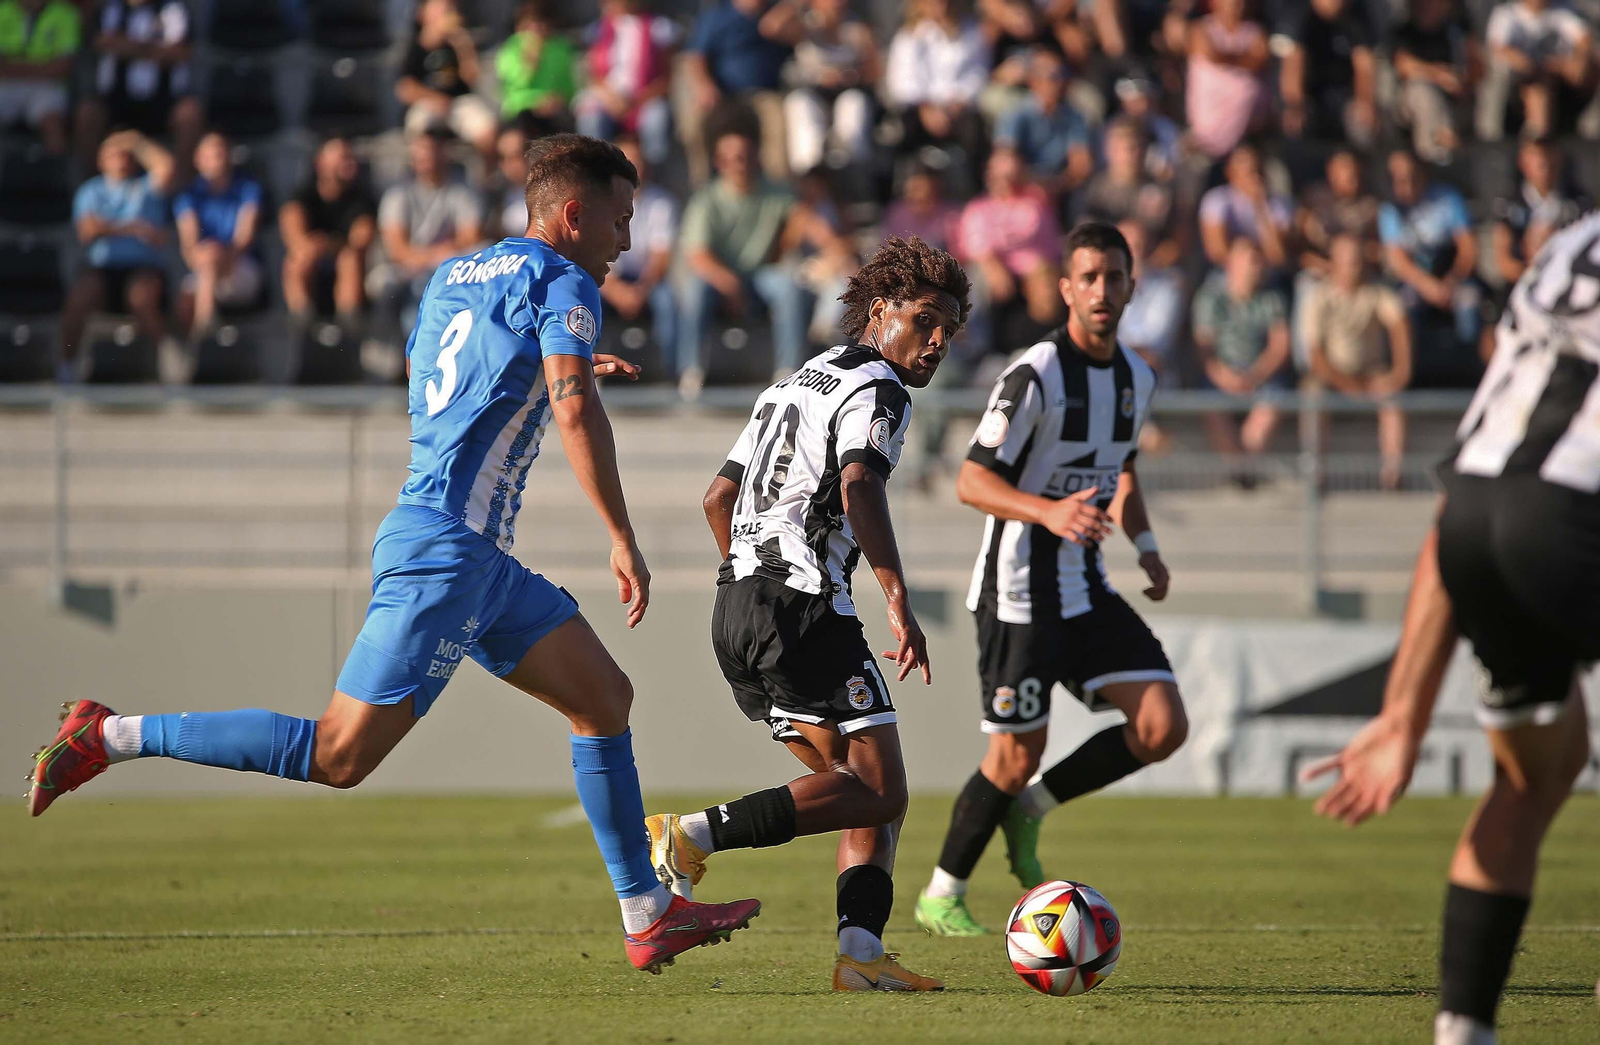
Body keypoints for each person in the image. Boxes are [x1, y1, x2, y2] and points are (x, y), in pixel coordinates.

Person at [29, 134, 763, 975]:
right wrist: (620, 532)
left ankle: (646, 913)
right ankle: (111, 733)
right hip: (447, 553)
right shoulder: (566, 280)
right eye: (621, 219)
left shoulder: (454, 275)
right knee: (340, 754)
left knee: (604, 696)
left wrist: (556, 365)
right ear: (572, 215)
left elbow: (444, 379)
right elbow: (573, 413)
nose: (626, 239)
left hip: (471, 556)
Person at [1304, 210, 1600, 1045]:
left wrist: (1405, 713)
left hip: (1472, 513)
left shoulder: (1572, 244)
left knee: (1538, 773)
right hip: (1578, 510)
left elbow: (1469, 484)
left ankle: (1462, 1031)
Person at [647, 235, 971, 990]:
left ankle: (860, 956)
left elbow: (717, 498)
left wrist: (747, 582)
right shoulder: (881, 388)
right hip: (800, 606)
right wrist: (896, 598)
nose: (937, 341)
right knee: (883, 788)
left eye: (948, 330)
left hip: (736, 607)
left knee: (859, 788)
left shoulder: (793, 382)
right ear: (880, 311)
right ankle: (690, 834)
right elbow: (860, 487)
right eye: (925, 320)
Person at [913, 222, 1184, 936]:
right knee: (1013, 752)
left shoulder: (1138, 377)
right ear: (1066, 288)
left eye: (1114, 278)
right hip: (1017, 591)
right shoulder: (1036, 373)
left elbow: (1119, 467)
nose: (1102, 290)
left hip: (1084, 585)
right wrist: (1048, 511)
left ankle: (1031, 809)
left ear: (1131, 287)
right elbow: (971, 480)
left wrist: (1146, 543)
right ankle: (942, 891)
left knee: (1163, 723)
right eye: (1088, 277)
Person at [676, 128, 807, 395]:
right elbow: (697, 255)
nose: (741, 163)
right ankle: (691, 370)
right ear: (719, 163)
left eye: (746, 156)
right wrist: (730, 285)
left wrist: (831, 245)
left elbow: (805, 219)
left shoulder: (777, 193)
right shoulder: (706, 200)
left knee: (790, 288)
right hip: (719, 278)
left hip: (761, 274)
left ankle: (789, 371)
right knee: (693, 291)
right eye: (734, 158)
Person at [60, 130, 175, 382]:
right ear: (101, 161)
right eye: (113, 154)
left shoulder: (146, 188)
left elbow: (166, 166)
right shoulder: (90, 191)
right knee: (79, 297)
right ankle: (67, 366)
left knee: (142, 297)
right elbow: (88, 230)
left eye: (126, 154)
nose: (120, 159)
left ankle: (165, 367)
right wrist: (134, 227)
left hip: (143, 269)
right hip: (103, 270)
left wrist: (136, 140)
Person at [1304, 234, 1413, 490]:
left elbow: (1399, 324)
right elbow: (1316, 356)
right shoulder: (1318, 297)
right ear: (1334, 263)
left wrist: (1400, 372)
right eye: (1350, 261)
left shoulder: (1375, 292)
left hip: (1371, 373)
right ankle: (1315, 475)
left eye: (1358, 260)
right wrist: (1347, 386)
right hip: (1332, 377)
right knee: (1311, 395)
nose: (1356, 266)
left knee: (1393, 399)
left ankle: (1392, 477)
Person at [1193, 236, 1291, 486]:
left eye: (1260, 261)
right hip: (1221, 374)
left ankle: (1241, 471)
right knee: (1210, 404)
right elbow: (1205, 351)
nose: (1257, 267)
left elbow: (1280, 347)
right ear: (1231, 264)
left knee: (1273, 402)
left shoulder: (1272, 297)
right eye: (1251, 260)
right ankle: (1242, 472)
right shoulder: (1210, 297)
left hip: (1261, 375)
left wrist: (1255, 376)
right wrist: (1226, 378)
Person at [372, 128, 485, 341]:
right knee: (411, 287)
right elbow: (397, 249)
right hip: (406, 269)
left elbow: (472, 236)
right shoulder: (397, 195)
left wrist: (436, 259)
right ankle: (409, 352)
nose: (428, 157)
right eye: (422, 151)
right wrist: (437, 255)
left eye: (433, 150)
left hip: (449, 267)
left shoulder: (462, 192)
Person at [1378, 149, 1481, 379]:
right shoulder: (1389, 210)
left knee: (1469, 300)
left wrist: (1452, 281)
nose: (1408, 183)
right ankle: (1413, 376)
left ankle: (1472, 375)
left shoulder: (1447, 198)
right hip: (1415, 281)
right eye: (1400, 179)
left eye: (1412, 175)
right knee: (1401, 308)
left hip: (1452, 276)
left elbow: (1468, 247)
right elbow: (1399, 261)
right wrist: (1429, 288)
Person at [75, 0, 202, 182]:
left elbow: (180, 52)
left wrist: (126, 46)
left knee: (190, 113)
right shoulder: (111, 8)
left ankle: (182, 189)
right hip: (116, 100)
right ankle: (90, 188)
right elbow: (100, 42)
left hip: (162, 102)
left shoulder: (173, 8)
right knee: (87, 113)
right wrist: (154, 49)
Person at [955, 146, 1063, 344]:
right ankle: (975, 345)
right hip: (992, 274)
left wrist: (1037, 272)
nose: (1006, 181)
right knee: (975, 281)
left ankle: (1046, 344)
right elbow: (973, 247)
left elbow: (1049, 248)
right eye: (1000, 175)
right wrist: (991, 263)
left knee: (1048, 286)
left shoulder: (1035, 204)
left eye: (1012, 175)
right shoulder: (977, 209)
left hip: (1032, 270)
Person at [681, 0, 794, 185]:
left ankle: (777, 187)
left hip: (765, 94)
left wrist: (788, 10)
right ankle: (701, 185)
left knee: (779, 122)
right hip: (724, 95)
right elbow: (695, 58)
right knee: (694, 123)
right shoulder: (717, 16)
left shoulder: (777, 13)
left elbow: (798, 37)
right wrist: (704, 85)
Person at [762, 0, 880, 175]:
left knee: (854, 104)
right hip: (811, 92)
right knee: (801, 106)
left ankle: (852, 173)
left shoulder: (857, 27)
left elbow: (876, 68)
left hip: (847, 91)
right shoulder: (805, 25)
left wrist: (849, 75)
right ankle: (809, 173)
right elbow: (769, 27)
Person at [883, 0, 991, 187]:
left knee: (975, 132)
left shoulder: (972, 33)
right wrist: (926, 107)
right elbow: (901, 81)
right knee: (901, 132)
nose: (940, 7)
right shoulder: (909, 36)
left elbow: (978, 74)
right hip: (920, 110)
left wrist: (958, 102)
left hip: (959, 109)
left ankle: (975, 189)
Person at [174, 132, 264, 338]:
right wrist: (206, 259)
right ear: (198, 160)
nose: (217, 157)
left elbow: (245, 238)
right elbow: (189, 245)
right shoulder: (188, 196)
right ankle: (191, 351)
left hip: (241, 267)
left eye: (221, 152)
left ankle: (204, 336)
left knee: (209, 261)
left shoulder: (248, 189)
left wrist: (219, 258)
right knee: (185, 301)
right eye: (211, 154)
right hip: (206, 266)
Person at [281, 137, 378, 325]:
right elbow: (294, 237)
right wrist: (314, 248)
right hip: (313, 267)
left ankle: (348, 329)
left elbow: (361, 241)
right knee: (295, 262)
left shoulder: (362, 200)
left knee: (349, 259)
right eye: (341, 157)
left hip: (350, 270)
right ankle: (303, 325)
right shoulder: (302, 197)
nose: (348, 161)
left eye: (349, 156)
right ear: (320, 162)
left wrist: (327, 244)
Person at [599, 135, 677, 361]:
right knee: (586, 297)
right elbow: (594, 256)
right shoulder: (599, 204)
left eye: (639, 163)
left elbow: (661, 257)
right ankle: (593, 370)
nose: (635, 169)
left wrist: (640, 291)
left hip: (647, 281)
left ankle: (670, 368)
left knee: (668, 301)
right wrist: (617, 292)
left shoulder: (662, 203)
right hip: (608, 281)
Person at [575, 0, 677, 167]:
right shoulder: (598, 30)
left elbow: (666, 76)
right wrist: (611, 98)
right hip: (608, 96)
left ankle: (651, 172)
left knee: (656, 119)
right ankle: (595, 168)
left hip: (644, 97)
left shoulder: (657, 27)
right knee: (590, 117)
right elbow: (592, 74)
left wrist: (637, 100)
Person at [1478, 0, 1594, 141]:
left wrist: (1575, 61)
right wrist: (1537, 66)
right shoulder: (1506, 14)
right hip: (1519, 84)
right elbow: (1500, 49)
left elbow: (1584, 41)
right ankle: (1538, 142)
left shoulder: (1564, 9)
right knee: (1538, 90)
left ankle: (1590, 129)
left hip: (1559, 80)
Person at [397, 0, 498, 160]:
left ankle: (486, 178)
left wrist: (463, 44)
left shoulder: (457, 42)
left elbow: (471, 77)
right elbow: (404, 88)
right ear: (423, 13)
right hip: (428, 102)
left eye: (451, 7)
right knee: (417, 129)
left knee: (488, 130)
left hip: (459, 102)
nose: (448, 11)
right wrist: (433, 98)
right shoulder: (414, 46)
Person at [1075, 116, 1179, 269]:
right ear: (1109, 150)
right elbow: (1085, 239)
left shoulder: (1159, 189)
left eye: (1140, 147)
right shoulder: (1093, 191)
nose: (1134, 154)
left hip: (1153, 272)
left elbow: (1176, 239)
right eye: (1127, 148)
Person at [993, 48, 1093, 208]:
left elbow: (1081, 165)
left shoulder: (1074, 116)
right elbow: (1005, 158)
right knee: (1004, 170)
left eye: (1063, 75)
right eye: (1053, 77)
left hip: (1061, 189)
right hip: (1024, 186)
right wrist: (1034, 185)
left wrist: (1055, 186)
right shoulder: (1016, 113)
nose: (1060, 82)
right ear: (1034, 81)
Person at [1490, 137, 1588, 292]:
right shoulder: (1509, 205)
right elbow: (1503, 261)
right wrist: (1534, 274)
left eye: (1550, 161)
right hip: (1522, 284)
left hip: (1568, 284)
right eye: (1540, 164)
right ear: (1524, 162)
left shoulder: (1578, 203)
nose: (1546, 170)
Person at [1275, 0, 1377, 148]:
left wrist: (1365, 102)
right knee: (1294, 124)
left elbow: (1364, 67)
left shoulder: (1357, 14)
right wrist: (1295, 105)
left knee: (1364, 127)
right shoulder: (1300, 15)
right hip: (1310, 96)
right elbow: (1293, 66)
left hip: (1345, 94)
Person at [1184, 0, 1270, 161]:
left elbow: (1260, 60)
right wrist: (1244, 58)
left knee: (1248, 92)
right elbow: (1211, 55)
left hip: (1249, 115)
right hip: (1210, 102)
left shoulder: (1255, 30)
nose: (1238, 5)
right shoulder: (1201, 28)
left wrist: (1228, 57)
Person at [1393, 0, 1474, 164]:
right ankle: (1433, 157)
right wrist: (1438, 75)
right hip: (1406, 103)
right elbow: (1403, 64)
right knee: (1424, 92)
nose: (1429, 7)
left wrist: (1460, 80)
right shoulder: (1402, 32)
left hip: (1453, 98)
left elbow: (1476, 63)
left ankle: (1445, 150)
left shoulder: (1453, 33)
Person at [0, 0, 78, 154]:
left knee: (53, 123)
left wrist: (13, 67)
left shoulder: (65, 13)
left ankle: (55, 173)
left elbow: (63, 67)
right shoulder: (3, 10)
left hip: (48, 86)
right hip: (6, 84)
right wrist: (44, 66)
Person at [1198, 142, 1292, 270]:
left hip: (1266, 272)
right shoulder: (1216, 200)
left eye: (1258, 169)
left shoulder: (1277, 205)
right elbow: (1216, 252)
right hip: (1226, 272)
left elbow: (1278, 256)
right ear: (1231, 173)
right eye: (1250, 171)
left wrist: (1260, 206)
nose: (1256, 177)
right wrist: (1245, 264)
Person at [495, 0, 579, 130]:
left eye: (540, 23)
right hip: (521, 112)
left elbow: (568, 87)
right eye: (531, 23)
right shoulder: (511, 48)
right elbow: (511, 90)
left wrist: (557, 100)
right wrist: (529, 62)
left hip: (554, 113)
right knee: (513, 143)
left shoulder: (561, 48)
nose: (536, 29)